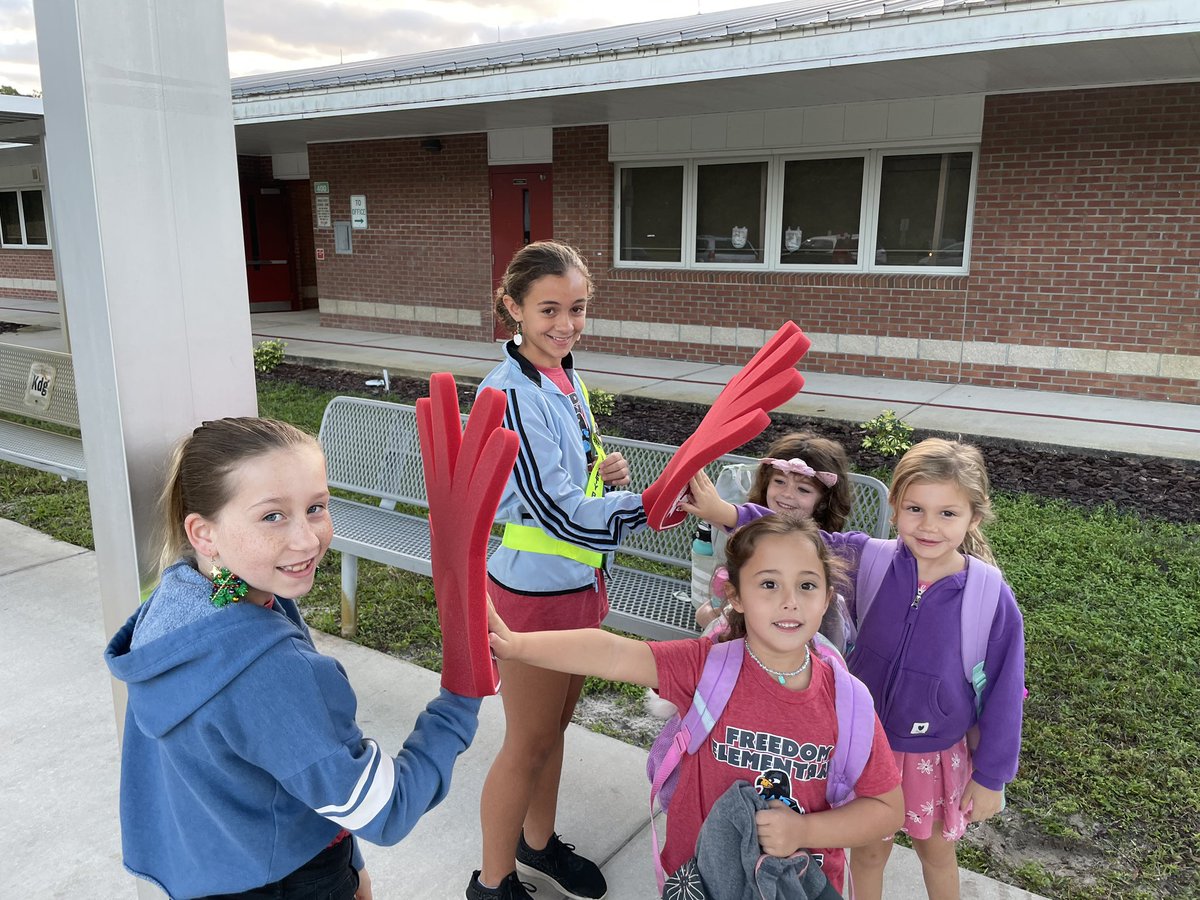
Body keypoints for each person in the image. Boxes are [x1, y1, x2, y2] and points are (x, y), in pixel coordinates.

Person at [104, 417, 482, 900]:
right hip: (290, 881)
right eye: (272, 516)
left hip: (209, 870)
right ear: (203, 533)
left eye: (316, 507)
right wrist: (459, 701)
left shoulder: (184, 603)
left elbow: (296, 763)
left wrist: (349, 856)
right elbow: (385, 811)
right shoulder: (268, 669)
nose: (306, 540)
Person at [488, 515, 904, 897]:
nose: (790, 601)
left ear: (828, 596)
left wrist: (805, 829)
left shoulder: (847, 701)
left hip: (795, 886)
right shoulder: (705, 667)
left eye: (807, 585)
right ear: (735, 597)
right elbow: (613, 653)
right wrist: (518, 643)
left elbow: (887, 810)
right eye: (769, 584)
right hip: (700, 881)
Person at [688, 438, 1025, 900]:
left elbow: (1006, 691)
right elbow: (805, 543)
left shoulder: (989, 596)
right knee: (866, 854)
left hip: (934, 757)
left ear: (974, 517)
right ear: (893, 508)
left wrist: (991, 777)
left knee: (937, 855)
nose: (929, 526)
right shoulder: (873, 560)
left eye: (948, 513)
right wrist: (729, 514)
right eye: (915, 509)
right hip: (865, 747)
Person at [469, 240, 648, 900]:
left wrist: (604, 477)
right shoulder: (511, 392)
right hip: (532, 595)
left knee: (553, 732)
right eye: (549, 309)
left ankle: (536, 845)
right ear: (513, 307)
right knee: (527, 743)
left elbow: (568, 487)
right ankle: (491, 882)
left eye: (577, 308)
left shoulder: (563, 376)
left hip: (575, 586)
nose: (566, 324)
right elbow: (551, 513)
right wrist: (648, 504)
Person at [692, 432, 852, 639]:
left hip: (796, 636)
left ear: (823, 502)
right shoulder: (753, 531)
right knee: (704, 614)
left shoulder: (820, 549)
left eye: (803, 490)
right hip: (751, 614)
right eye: (779, 481)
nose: (787, 494)